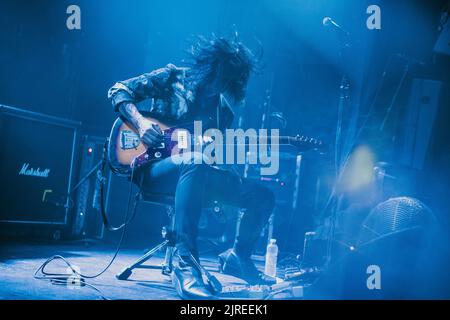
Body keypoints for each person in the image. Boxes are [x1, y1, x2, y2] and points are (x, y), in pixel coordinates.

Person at [108, 35, 275, 299]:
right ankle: (186, 263)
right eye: (217, 74)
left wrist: (221, 157)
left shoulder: (223, 112)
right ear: (210, 65)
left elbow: (210, 157)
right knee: (194, 162)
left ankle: (238, 258)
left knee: (262, 195)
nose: (218, 83)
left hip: (195, 174)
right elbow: (119, 89)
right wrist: (140, 123)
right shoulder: (174, 78)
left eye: (227, 79)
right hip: (154, 168)